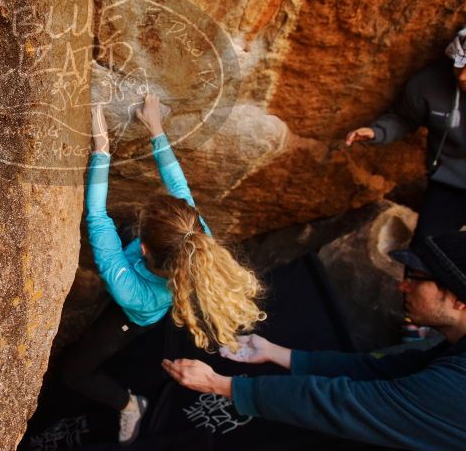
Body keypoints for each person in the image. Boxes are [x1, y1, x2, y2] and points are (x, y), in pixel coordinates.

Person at [61, 93, 266, 444]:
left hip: (132, 315)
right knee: (117, 233)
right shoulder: (195, 235)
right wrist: (155, 127)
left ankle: (129, 405)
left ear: (143, 247)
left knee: (73, 373)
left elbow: (97, 216)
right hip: (146, 269)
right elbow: (179, 188)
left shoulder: (129, 291)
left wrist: (102, 151)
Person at [162, 230, 466, 449]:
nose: (403, 286)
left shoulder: (454, 386)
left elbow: (343, 403)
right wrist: (277, 353)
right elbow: (380, 371)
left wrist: (222, 385)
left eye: (416, 278)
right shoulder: (451, 350)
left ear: (459, 301)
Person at [346, 27, 466, 244]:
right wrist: (377, 131)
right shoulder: (429, 84)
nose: (464, 76)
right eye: (460, 66)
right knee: (425, 261)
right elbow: (403, 118)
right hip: (450, 183)